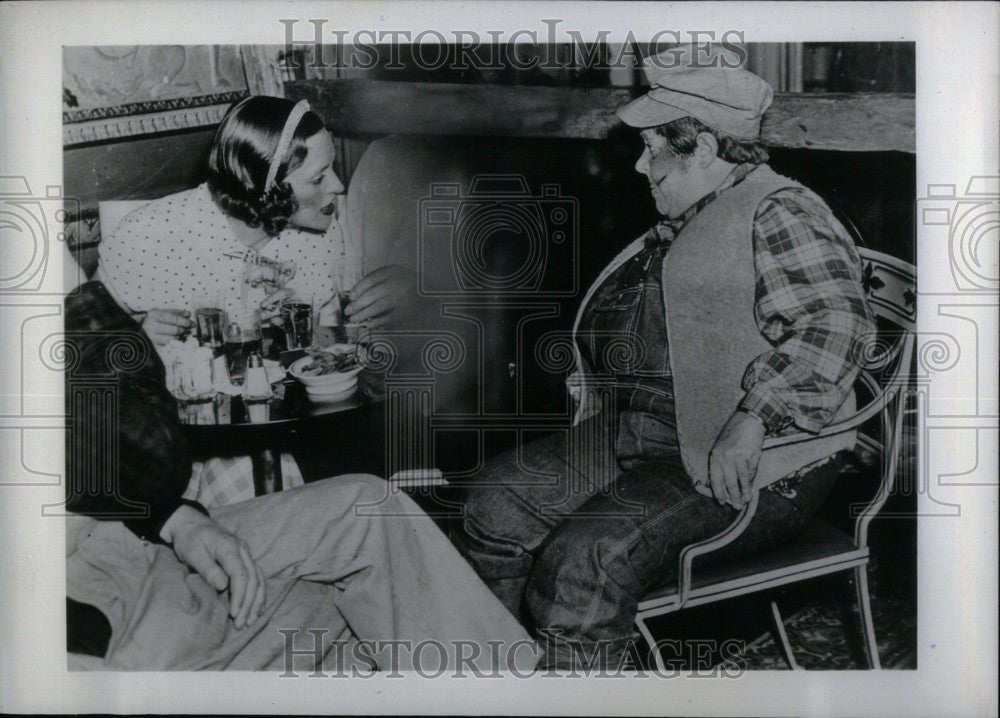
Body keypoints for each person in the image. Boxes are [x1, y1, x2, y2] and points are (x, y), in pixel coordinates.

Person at [451, 46, 876, 669]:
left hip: (765, 462)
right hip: (656, 432)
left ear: (703, 146)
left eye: (653, 146)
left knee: (584, 563)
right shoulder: (691, 217)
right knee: (490, 503)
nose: (640, 164)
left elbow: (838, 324)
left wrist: (752, 417)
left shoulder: (778, 209)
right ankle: (497, 679)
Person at [64, 265, 535, 671]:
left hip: (117, 534)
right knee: (358, 614)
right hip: (91, 616)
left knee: (367, 512)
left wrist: (171, 520)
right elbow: (157, 455)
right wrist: (77, 303)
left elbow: (93, 458)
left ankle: (503, 695)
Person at [96, 95, 418, 347]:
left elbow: (332, 342)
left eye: (331, 168)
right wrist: (134, 337)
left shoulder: (321, 234)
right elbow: (76, 339)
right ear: (268, 192)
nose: (338, 186)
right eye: (319, 178)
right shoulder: (148, 235)